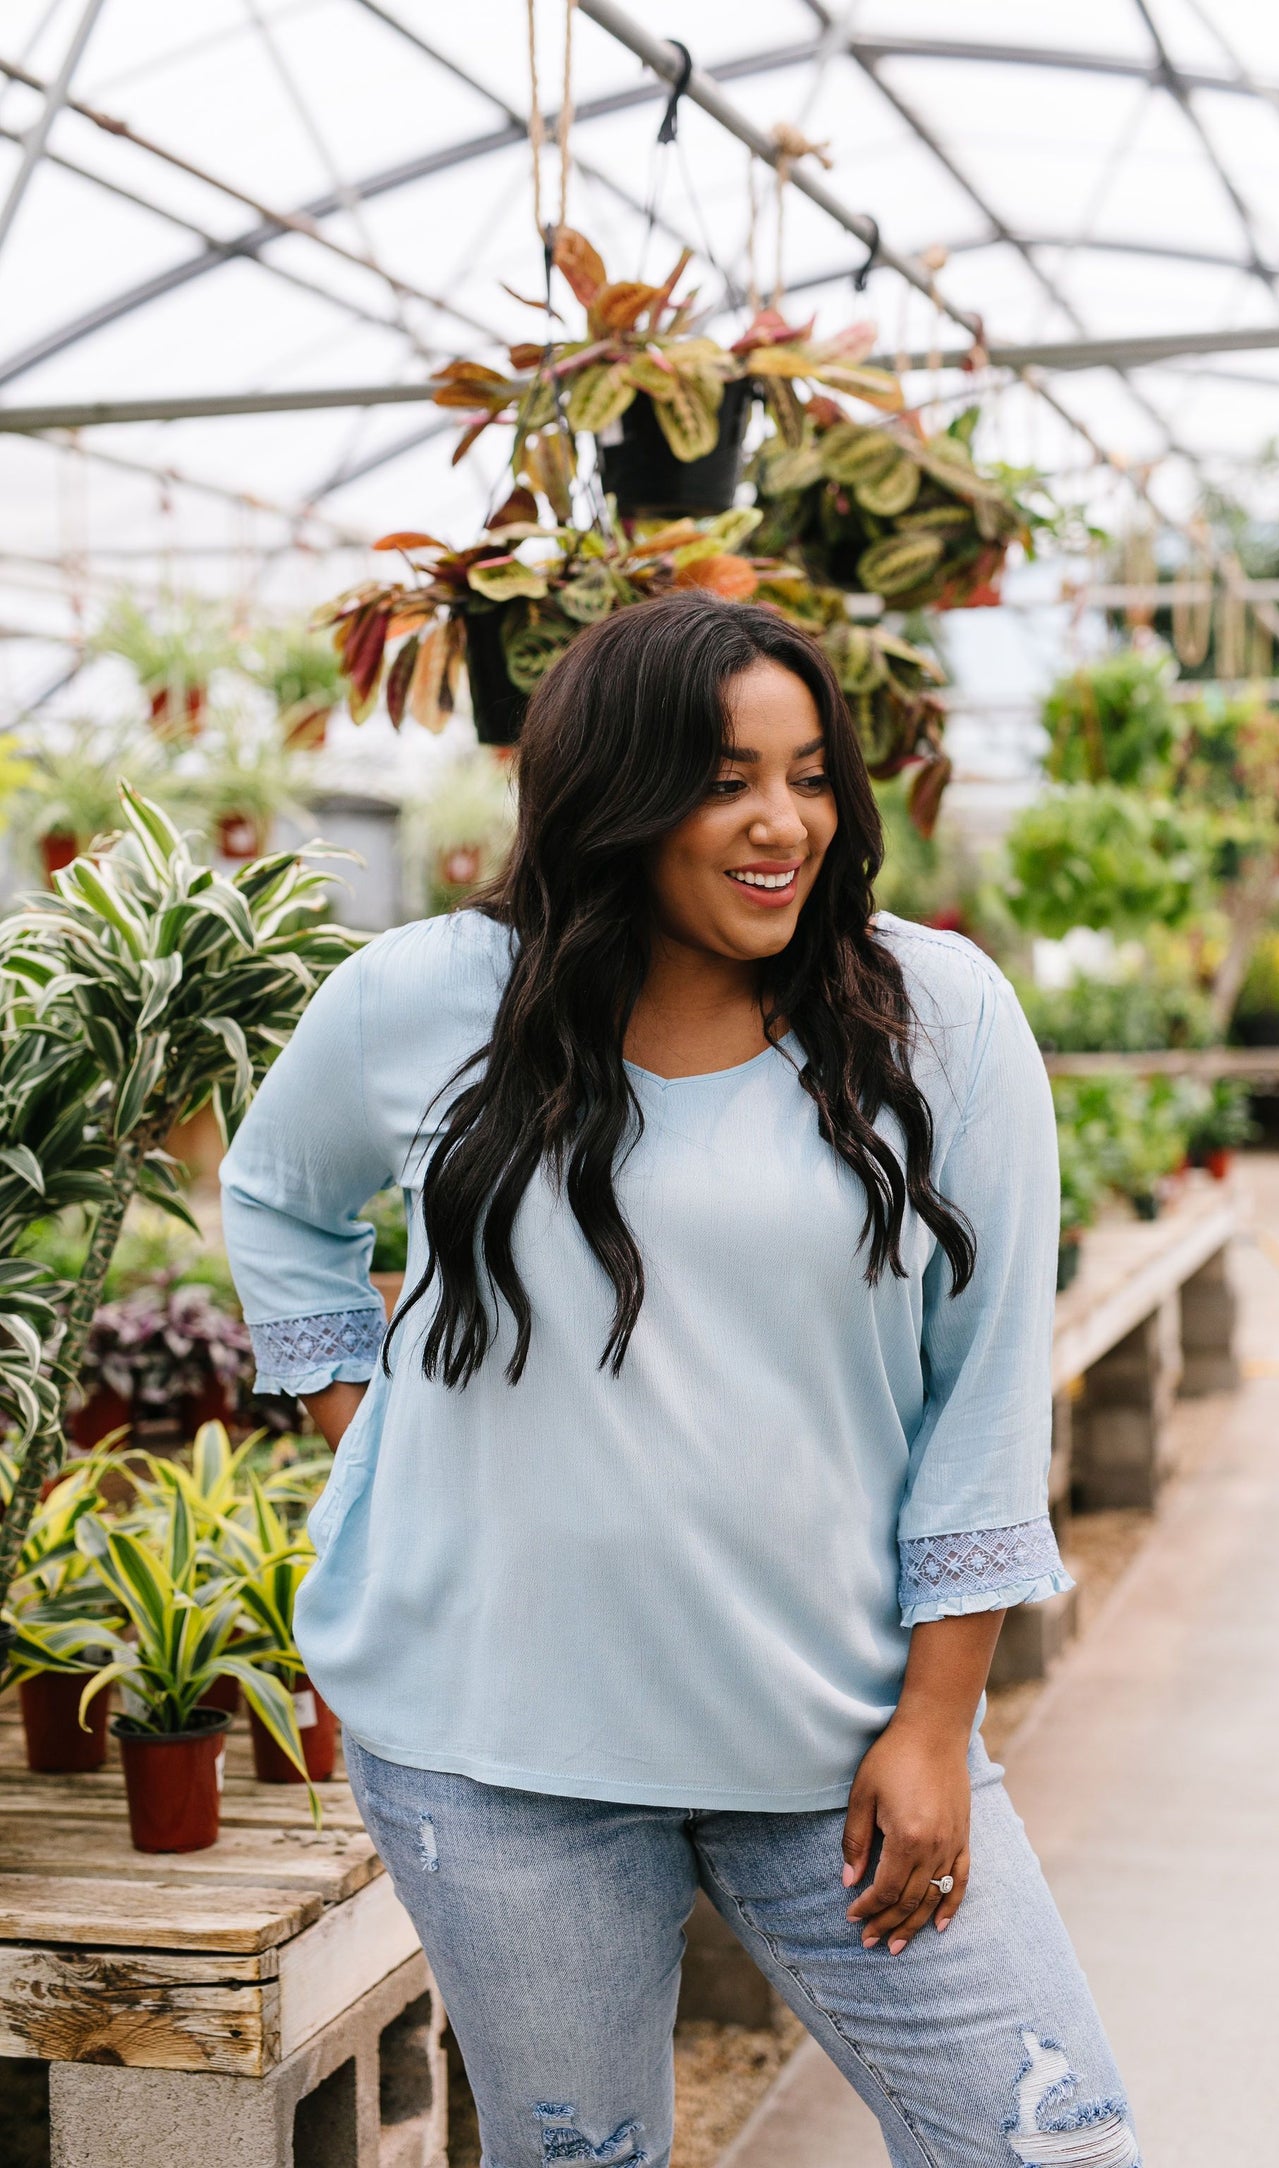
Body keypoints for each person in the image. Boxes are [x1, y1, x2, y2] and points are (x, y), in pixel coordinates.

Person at [221, 592, 1140, 2168]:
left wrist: (935, 1722)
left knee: (1053, 2146)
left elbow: (982, 1392)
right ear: (614, 797)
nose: (781, 823)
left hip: (837, 1743)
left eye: (806, 774)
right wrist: (357, 1430)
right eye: (723, 781)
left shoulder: (939, 1023)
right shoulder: (422, 997)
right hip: (496, 1747)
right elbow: (275, 1198)